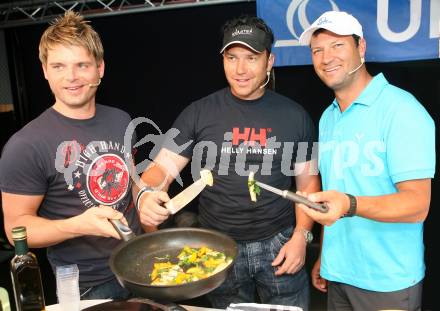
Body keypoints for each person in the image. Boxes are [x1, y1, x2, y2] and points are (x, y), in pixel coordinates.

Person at [135, 15, 320, 310]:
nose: (240, 69)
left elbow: (308, 185)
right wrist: (146, 194)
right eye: (232, 57)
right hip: (218, 247)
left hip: (280, 243)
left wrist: (302, 236)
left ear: (269, 61)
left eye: (251, 57)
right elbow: (161, 168)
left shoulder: (296, 117)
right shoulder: (199, 113)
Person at [296, 11, 435, 311]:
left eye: (337, 45)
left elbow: (417, 205)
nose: (326, 57)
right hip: (339, 275)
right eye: (317, 50)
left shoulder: (402, 110)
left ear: (361, 47)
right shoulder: (328, 116)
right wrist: (326, 255)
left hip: (388, 281)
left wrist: (350, 204)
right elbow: (336, 192)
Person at [0, 11, 142, 300]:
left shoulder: (122, 120)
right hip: (87, 284)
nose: (72, 77)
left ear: (100, 68)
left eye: (82, 65)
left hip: (139, 264)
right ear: (45, 71)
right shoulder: (25, 144)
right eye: (59, 66)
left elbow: (132, 185)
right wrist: (78, 225)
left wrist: (148, 197)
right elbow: (17, 228)